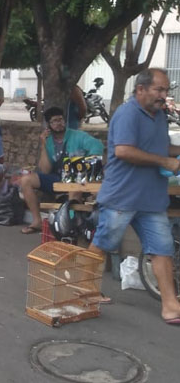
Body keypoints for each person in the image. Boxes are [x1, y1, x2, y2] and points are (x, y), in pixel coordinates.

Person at [88, 68, 180, 324]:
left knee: (162, 250)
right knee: (103, 243)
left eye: (166, 90)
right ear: (141, 89)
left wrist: (176, 152)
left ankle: (171, 305)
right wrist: (164, 160)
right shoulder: (127, 113)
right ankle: (84, 291)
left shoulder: (159, 115)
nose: (164, 95)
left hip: (152, 199)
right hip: (122, 197)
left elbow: (161, 147)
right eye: (159, 90)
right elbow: (124, 151)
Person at [19, 107, 104, 234]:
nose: (59, 123)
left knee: (73, 183)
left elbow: (98, 146)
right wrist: (43, 145)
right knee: (26, 180)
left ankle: (70, 227)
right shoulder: (48, 142)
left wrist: (83, 166)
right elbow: (45, 170)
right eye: (54, 121)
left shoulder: (78, 136)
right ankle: (37, 221)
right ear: (48, 125)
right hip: (57, 177)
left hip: (77, 178)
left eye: (61, 120)